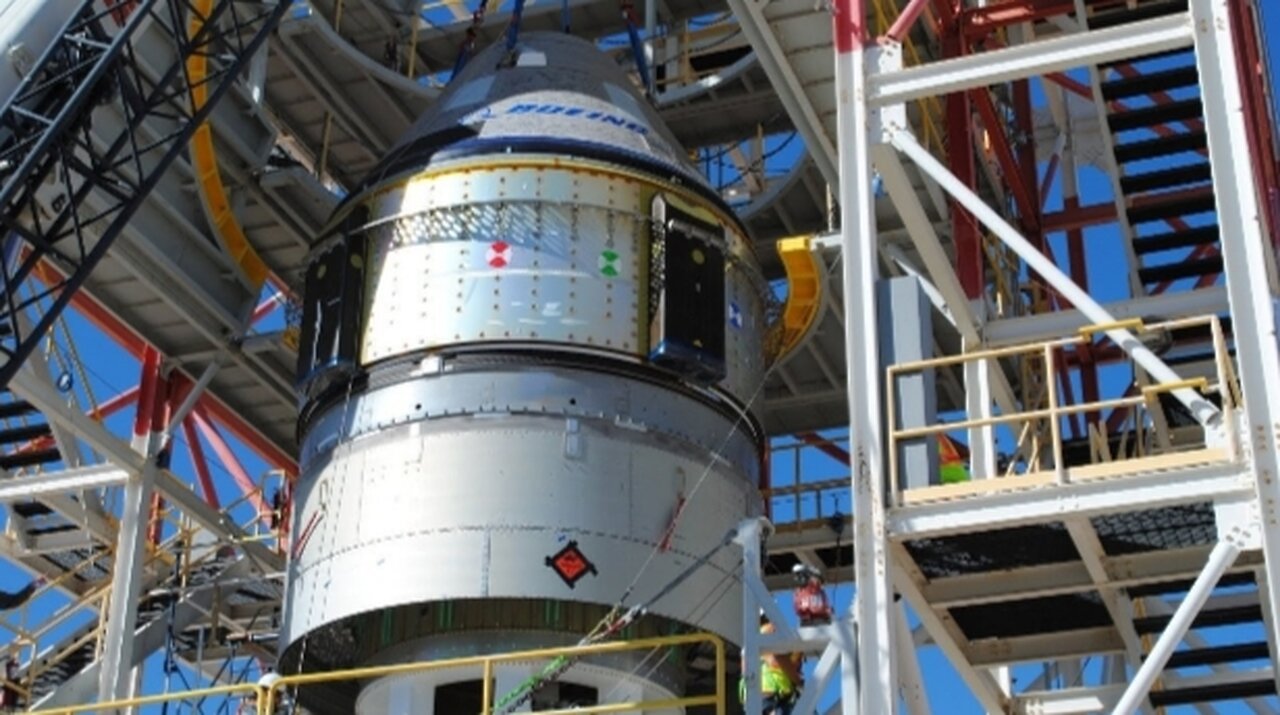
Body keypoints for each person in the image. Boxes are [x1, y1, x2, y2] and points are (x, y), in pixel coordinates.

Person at [739, 618, 804, 714]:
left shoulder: (751, 642)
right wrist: (798, 681)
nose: (800, 665)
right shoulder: (769, 631)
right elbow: (776, 659)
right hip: (768, 697)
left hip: (761, 698)